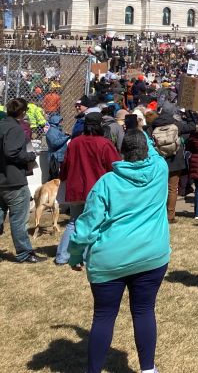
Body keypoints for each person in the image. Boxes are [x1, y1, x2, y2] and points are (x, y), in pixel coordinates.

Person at [68, 129, 170, 373]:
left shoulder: (107, 183)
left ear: (122, 151)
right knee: (144, 310)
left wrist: (74, 253)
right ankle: (148, 369)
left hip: (109, 260)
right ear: (147, 149)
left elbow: (87, 224)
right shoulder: (160, 170)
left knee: (104, 316)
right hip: (151, 256)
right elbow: (154, 152)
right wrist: (141, 130)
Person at [55, 114, 122, 265]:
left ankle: (63, 256)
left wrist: (62, 178)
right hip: (97, 190)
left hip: (76, 189)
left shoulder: (74, 143)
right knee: (95, 223)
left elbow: (65, 165)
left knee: (74, 222)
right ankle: (84, 256)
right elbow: (115, 166)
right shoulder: (104, 144)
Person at [0, 102, 44, 263]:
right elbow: (11, 152)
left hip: (2, 180)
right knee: (19, 219)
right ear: (23, 112)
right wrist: (30, 156)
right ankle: (24, 253)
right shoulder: (16, 128)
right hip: (14, 181)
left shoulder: (2, 125)